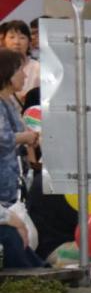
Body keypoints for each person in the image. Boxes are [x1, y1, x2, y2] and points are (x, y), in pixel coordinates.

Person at [0, 50, 38, 207]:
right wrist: (25, 137)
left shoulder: (8, 101)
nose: (25, 76)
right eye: (21, 70)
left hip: (13, 183)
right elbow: (3, 138)